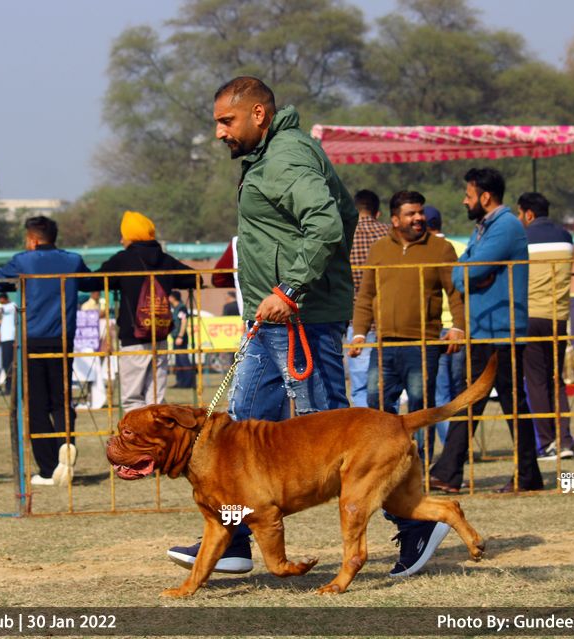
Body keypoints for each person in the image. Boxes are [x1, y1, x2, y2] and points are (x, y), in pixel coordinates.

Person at [169, 76, 447, 580]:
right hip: (270, 318)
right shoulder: (268, 155)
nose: (219, 133)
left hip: (300, 316)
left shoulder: (287, 157)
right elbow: (331, 216)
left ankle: (416, 524)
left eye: (226, 121)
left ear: (258, 115)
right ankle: (233, 540)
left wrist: (291, 288)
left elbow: (325, 223)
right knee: (241, 428)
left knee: (330, 430)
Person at [348, 190, 465, 577]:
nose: (418, 218)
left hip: (423, 344)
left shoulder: (441, 248)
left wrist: (458, 327)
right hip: (384, 345)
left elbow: (455, 292)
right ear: (394, 219)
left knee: (418, 411)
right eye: (411, 214)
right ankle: (382, 473)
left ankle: (416, 476)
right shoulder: (379, 249)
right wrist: (360, 333)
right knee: (377, 413)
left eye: (420, 213)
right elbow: (366, 294)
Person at [430, 167, 544, 494]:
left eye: (469, 196)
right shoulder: (485, 227)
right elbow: (461, 271)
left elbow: (469, 270)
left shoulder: (505, 227)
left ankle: (523, 475)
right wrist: (469, 272)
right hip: (485, 329)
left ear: (485, 196)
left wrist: (471, 272)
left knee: (506, 401)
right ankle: (449, 471)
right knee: (476, 399)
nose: (464, 201)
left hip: (502, 330)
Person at [0, 216, 90, 486]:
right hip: (63, 339)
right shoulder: (73, 260)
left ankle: (47, 469)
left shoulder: (23, 261)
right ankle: (65, 448)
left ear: (32, 240)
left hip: (32, 340)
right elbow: (90, 282)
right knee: (62, 401)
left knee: (36, 405)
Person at [88, 211, 196, 410]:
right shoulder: (165, 260)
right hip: (160, 336)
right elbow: (194, 278)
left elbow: (92, 281)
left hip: (134, 338)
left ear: (132, 236)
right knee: (156, 400)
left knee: (132, 400)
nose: (121, 240)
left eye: (124, 235)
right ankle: (156, 431)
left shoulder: (123, 260)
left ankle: (138, 432)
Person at [516, 192, 574, 461]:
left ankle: (547, 442)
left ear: (528, 214)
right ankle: (565, 440)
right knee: (556, 379)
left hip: (530, 316)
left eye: (520, 214)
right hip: (558, 317)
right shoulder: (566, 237)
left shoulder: (522, 238)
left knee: (536, 381)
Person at [425, 205, 467, 459]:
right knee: (458, 390)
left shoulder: (427, 250)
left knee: (440, 393)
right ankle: (459, 446)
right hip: (459, 327)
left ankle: (451, 450)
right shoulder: (460, 248)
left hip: (436, 328)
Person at [347, 189, 390, 408]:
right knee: (390, 388)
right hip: (389, 321)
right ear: (377, 212)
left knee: (361, 388)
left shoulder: (345, 236)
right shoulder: (390, 235)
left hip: (357, 323)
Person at [169, 290, 196, 389]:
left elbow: (184, 322)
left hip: (181, 338)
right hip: (175, 337)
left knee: (183, 360)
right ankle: (180, 382)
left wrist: (180, 336)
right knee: (178, 361)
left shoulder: (182, 308)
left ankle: (188, 383)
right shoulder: (174, 308)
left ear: (173, 297)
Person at [0, 292, 17, 396]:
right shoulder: (6, 309)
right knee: (6, 364)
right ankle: (9, 387)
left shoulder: (12, 306)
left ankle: (11, 388)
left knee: (9, 364)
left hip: (10, 339)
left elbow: (0, 309)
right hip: (5, 339)